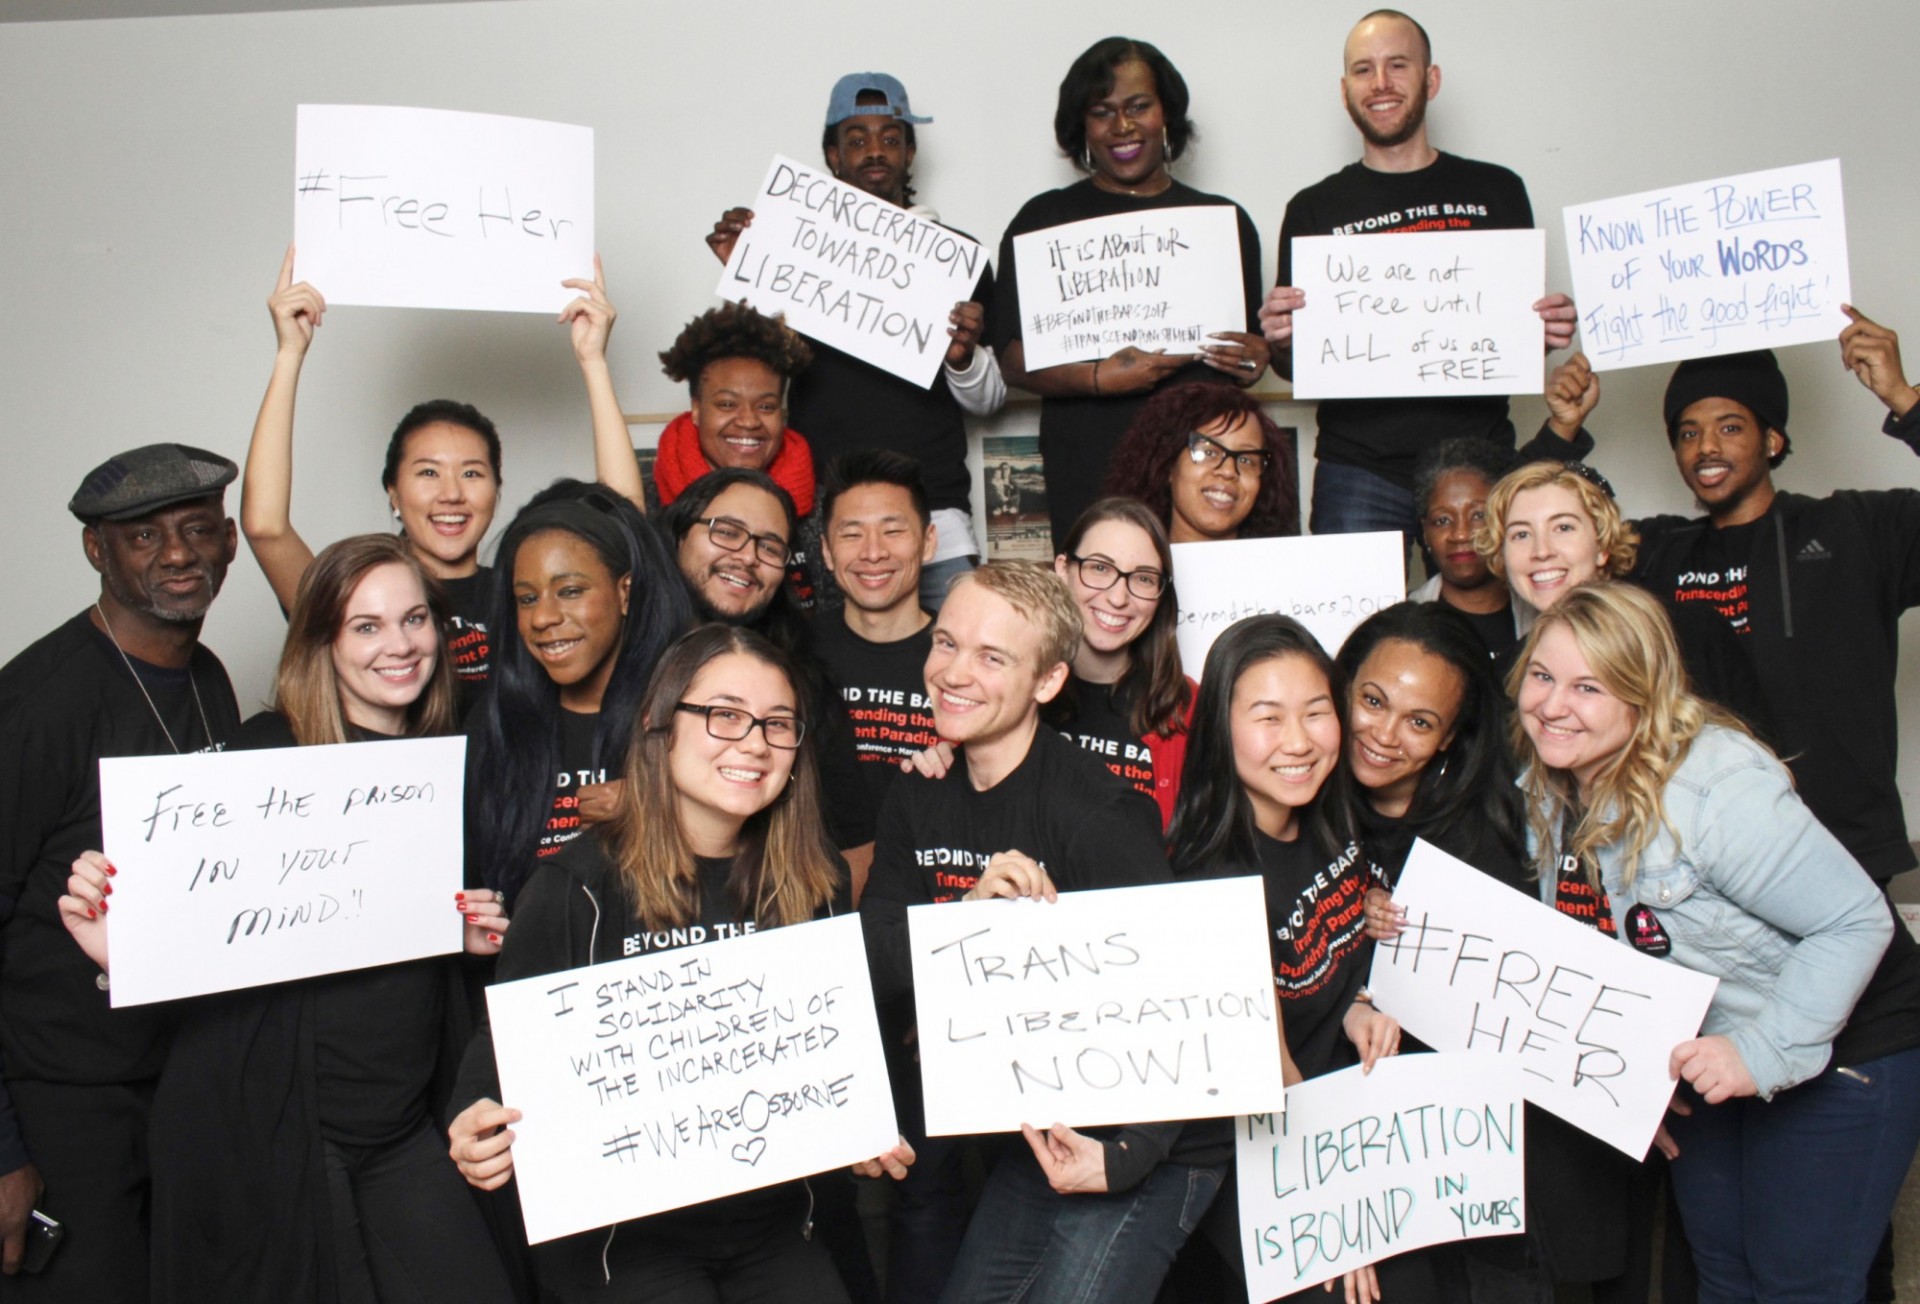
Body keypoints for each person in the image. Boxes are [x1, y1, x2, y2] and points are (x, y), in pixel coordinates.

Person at [59, 533, 516, 1303]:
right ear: (322, 641)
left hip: (402, 1121)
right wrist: (123, 948)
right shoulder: (260, 758)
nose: (399, 645)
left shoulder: (445, 763)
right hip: (278, 1135)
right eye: (366, 626)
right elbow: (210, 946)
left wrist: (466, 936)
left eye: (414, 619)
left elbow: (401, 933)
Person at [448, 623, 913, 1303]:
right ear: (660, 723)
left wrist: (860, 1127)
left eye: (777, 724)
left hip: (775, 1224)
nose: (753, 742)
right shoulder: (576, 888)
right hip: (622, 1243)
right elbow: (501, 1051)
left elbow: (831, 1050)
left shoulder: (813, 882)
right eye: (724, 715)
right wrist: (472, 1123)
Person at [1509, 582, 1920, 1301]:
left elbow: (1858, 922)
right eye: (1541, 677)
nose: (1550, 705)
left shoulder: (1711, 788)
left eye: (1588, 687)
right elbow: (1599, 952)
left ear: (1643, 696)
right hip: (1709, 1052)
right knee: (1724, 1277)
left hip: (1846, 1039)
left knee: (1801, 1286)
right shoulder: (1546, 786)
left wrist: (1759, 1054)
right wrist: (1633, 1081)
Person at [858, 564, 1187, 1303]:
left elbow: (1180, 997)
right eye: (945, 643)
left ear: (1046, 683)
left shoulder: (1098, 813)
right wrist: (970, 923)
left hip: (1127, 1130)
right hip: (1017, 1129)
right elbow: (876, 957)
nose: (952, 673)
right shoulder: (917, 792)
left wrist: (1132, 1154)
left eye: (991, 657)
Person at [1343, 603, 1641, 1300]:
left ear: (1450, 739)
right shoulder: (1306, 813)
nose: (1384, 735)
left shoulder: (1493, 844)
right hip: (1375, 1170)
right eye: (1373, 700)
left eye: (1419, 721)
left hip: (1505, 1174)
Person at [0, 444, 244, 1297]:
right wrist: (2, 1153)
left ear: (231, 543)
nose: (177, 554)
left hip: (177, 1085)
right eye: (143, 536)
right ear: (97, 551)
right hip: (61, 1103)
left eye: (197, 530)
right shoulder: (37, 707)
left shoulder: (211, 682)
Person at [1168, 615, 1434, 1303]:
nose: (1298, 741)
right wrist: (1336, 1220)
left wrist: (1357, 1007)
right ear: (1220, 732)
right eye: (1267, 718)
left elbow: (1332, 957)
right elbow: (1272, 1087)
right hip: (1267, 1169)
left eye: (1317, 713)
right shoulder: (1211, 883)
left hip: (1348, 1129)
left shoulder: (1328, 816)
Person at [241, 248, 650, 696]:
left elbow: (626, 525)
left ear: (497, 489)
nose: (452, 494)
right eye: (428, 473)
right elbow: (266, 528)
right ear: (393, 492)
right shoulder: (353, 594)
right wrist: (289, 353)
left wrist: (594, 362)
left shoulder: (526, 595)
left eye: (472, 474)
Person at [1257, 9, 1576, 542]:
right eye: (1363, 70)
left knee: (1489, 623)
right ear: (1344, 91)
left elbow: (1511, 339)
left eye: (1397, 65)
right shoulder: (1313, 209)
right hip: (1359, 468)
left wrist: (1543, 333)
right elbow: (1296, 367)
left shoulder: (1497, 191)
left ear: (1431, 79)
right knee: (1355, 624)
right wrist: (1279, 339)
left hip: (1480, 460)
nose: (1380, 84)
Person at [705, 73, 1006, 610]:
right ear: (832, 154)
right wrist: (746, 272)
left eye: (890, 138)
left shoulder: (958, 257)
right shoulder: (789, 250)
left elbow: (990, 400)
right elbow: (759, 376)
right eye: (857, 139)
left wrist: (961, 360)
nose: (875, 152)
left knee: (961, 664)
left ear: (910, 152)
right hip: (820, 512)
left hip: (935, 513)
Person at [989, 37, 1269, 546]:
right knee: (1103, 605)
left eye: (1139, 106)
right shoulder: (1042, 221)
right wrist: (1099, 377)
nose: (1123, 127)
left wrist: (1255, 359)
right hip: (1090, 458)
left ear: (1167, 115)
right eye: (1103, 112)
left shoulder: (1223, 222)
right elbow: (1010, 359)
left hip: (1204, 467)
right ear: (1082, 128)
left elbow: (1247, 355)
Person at [466, 481, 691, 906]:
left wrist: (658, 807)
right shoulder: (492, 725)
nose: (544, 618)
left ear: (625, 591)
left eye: (570, 591)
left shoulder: (687, 714)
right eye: (527, 598)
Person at [1479, 459, 1771, 739]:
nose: (1541, 551)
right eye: (1520, 534)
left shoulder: (1690, 632)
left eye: (1563, 527)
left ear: (1602, 544)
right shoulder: (1504, 676)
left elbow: (1763, 763)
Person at [811, 451, 941, 848]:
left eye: (893, 531)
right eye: (851, 534)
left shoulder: (965, 658)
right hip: (819, 886)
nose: (872, 553)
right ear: (827, 552)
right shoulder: (793, 654)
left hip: (938, 889)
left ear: (928, 542)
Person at [1049, 498, 1192, 826]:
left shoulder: (1192, 707)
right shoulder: (1012, 690)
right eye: (1099, 568)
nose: (1117, 598)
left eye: (1143, 578)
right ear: (1062, 569)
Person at [1102, 382, 1300, 542]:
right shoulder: (1129, 573)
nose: (1229, 471)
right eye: (1209, 452)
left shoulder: (1282, 581)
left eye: (1246, 459)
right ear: (1168, 465)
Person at [1407, 437, 1531, 659]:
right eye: (1442, 520)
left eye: (1478, 515)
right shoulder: (1403, 623)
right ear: (1425, 532)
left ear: (1505, 519)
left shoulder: (1545, 612)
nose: (1461, 534)